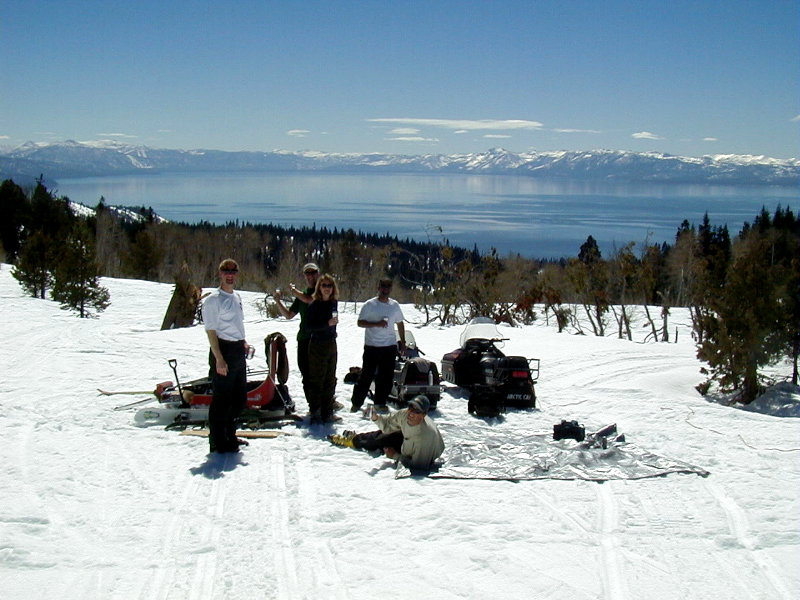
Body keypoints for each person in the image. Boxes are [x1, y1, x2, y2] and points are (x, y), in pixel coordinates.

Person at [202, 258, 251, 453]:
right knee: (222, 400)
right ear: (220, 274)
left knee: (238, 399)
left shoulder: (236, 297)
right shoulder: (213, 300)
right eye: (226, 271)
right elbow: (211, 331)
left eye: (233, 271)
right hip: (223, 350)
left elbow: (236, 324)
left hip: (237, 350)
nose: (230, 275)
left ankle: (230, 435)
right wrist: (219, 359)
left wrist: (243, 342)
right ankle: (217, 441)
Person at [330, 395, 444, 470]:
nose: (411, 413)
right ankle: (355, 440)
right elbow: (388, 422)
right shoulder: (405, 414)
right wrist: (376, 418)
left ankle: (359, 441)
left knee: (384, 442)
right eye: (410, 407)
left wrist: (395, 456)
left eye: (416, 411)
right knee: (382, 437)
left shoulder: (424, 438)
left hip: (421, 452)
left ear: (423, 415)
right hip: (407, 441)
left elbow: (418, 467)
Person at [350, 278, 406, 413]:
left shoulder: (394, 305)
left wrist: (403, 343)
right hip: (372, 346)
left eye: (388, 287)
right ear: (378, 288)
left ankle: (380, 403)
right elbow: (360, 322)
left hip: (389, 346)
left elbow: (400, 323)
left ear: (391, 289)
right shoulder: (370, 305)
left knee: (386, 377)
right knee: (366, 376)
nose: (385, 289)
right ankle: (356, 403)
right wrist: (376, 324)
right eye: (383, 286)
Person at [274, 263, 319, 399]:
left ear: (318, 274)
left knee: (319, 373)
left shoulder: (322, 290)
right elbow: (289, 315)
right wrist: (278, 301)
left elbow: (309, 299)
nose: (310, 276)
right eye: (307, 273)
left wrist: (293, 290)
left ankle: (327, 401)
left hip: (319, 339)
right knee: (306, 372)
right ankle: (312, 403)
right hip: (304, 338)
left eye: (313, 273)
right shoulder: (302, 294)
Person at [304, 274, 340, 423]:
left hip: (331, 343)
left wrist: (332, 329)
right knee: (317, 378)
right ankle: (315, 411)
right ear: (319, 287)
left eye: (329, 286)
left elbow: (333, 322)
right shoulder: (314, 305)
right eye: (324, 285)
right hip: (318, 345)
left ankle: (328, 412)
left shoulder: (333, 303)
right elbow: (308, 327)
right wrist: (327, 324)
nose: (327, 288)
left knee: (330, 379)